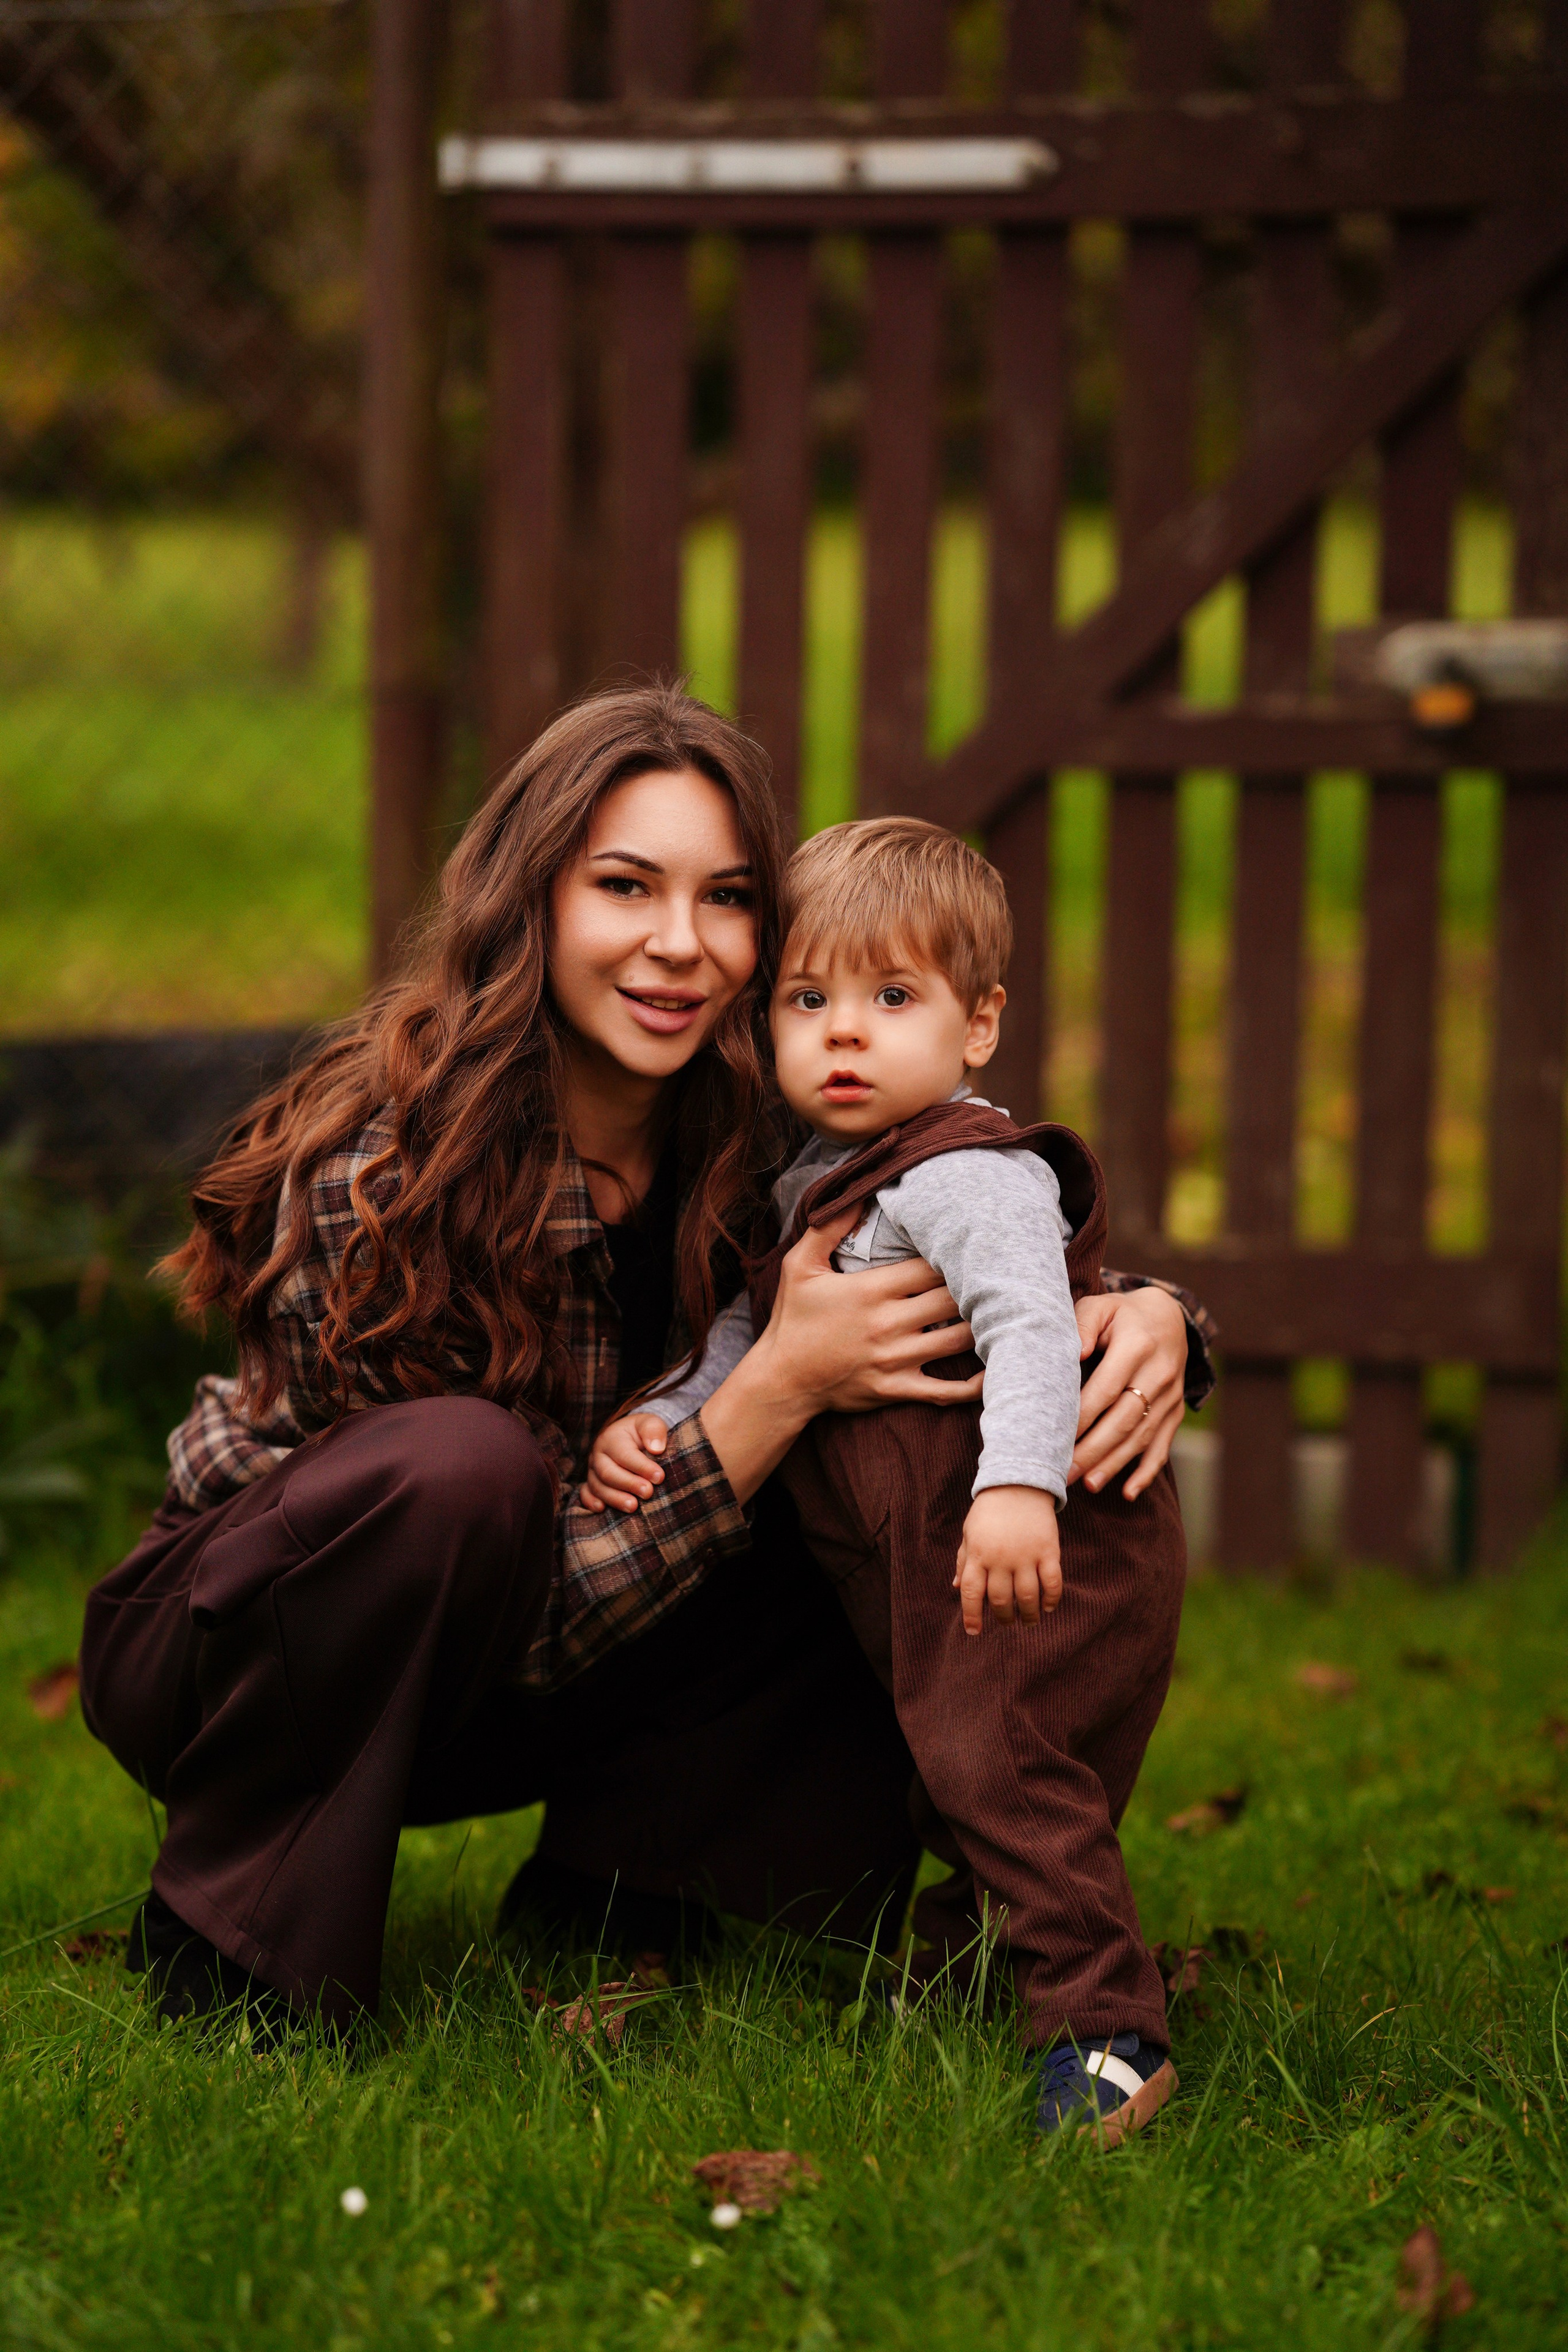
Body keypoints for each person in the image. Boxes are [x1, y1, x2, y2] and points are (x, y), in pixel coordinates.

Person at [77, 684, 1210, 2043]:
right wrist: (772, 1389)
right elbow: (493, 1600)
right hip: (257, 1657)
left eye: (725, 899)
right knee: (466, 1466)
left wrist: (1144, 1316)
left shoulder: (762, 1129)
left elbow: (956, 1211)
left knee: (895, 1438)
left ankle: (635, 1892)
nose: (679, 946)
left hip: (557, 1656)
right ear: (532, 899)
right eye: (625, 886)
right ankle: (231, 1939)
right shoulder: (385, 1166)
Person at [586, 818, 1190, 2143]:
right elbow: (748, 1340)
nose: (841, 1035)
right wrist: (666, 1419)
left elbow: (1033, 1325)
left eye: (890, 998)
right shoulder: (820, 1183)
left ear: (977, 1027)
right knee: (964, 1770)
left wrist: (1016, 1490)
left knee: (1007, 1773)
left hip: (1034, 1540)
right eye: (808, 1001)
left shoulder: (965, 1174)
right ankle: (972, 1966)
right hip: (931, 1553)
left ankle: (1105, 2031)